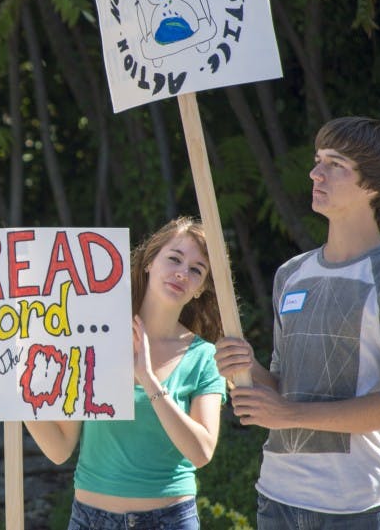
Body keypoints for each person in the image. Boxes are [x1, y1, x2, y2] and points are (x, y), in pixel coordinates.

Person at [215, 116, 380, 529]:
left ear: (373, 185)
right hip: (275, 499)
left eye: (335, 164)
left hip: (357, 507)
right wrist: (243, 368)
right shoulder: (291, 274)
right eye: (318, 160)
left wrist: (288, 414)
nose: (315, 173)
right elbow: (284, 387)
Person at [25, 216, 228, 530]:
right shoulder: (94, 337)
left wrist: (148, 378)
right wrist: (17, 397)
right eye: (174, 258)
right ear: (149, 262)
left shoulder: (204, 356)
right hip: (90, 519)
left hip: (169, 521)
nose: (181, 273)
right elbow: (60, 449)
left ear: (200, 289)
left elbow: (201, 452)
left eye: (196, 270)